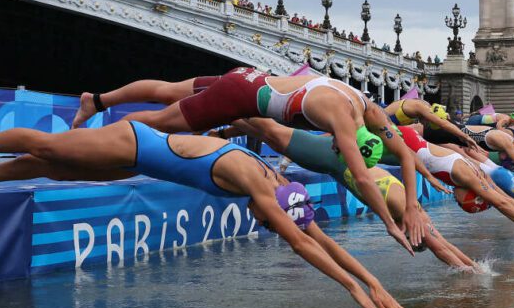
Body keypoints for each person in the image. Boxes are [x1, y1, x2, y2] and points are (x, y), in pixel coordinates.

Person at [0, 123, 410, 308]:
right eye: (269, 226)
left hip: (142, 162)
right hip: (136, 143)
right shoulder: (262, 186)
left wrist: (372, 281)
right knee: (49, 148)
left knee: (60, 169)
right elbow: (306, 247)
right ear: (274, 211)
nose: (267, 229)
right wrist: (352, 289)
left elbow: (317, 237)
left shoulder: (280, 186)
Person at [69, 70, 428, 254]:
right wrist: (391, 224)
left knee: (166, 90)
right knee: (161, 123)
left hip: (247, 76)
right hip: (238, 97)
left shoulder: (367, 108)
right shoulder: (342, 121)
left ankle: (97, 101)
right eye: (340, 149)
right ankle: (96, 140)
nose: (335, 149)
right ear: (350, 138)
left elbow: (405, 156)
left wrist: (411, 205)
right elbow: (364, 179)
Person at [219, 118, 479, 271]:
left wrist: (474, 267)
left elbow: (444, 245)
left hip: (334, 159)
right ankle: (222, 121)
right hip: (331, 159)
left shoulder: (416, 214)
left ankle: (222, 129)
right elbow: (440, 248)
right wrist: (470, 274)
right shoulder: (407, 214)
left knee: (271, 132)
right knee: (271, 131)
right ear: (411, 236)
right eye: (410, 241)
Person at [392, 125, 514, 240]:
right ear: (471, 194)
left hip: (412, 139)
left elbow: (503, 200)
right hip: (405, 138)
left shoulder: (476, 174)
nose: (457, 202)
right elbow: (501, 203)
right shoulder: (466, 176)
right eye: (461, 203)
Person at [381, 100, 481, 152]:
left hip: (385, 125)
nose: (425, 125)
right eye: (429, 122)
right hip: (378, 123)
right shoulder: (421, 107)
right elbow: (443, 124)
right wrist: (465, 137)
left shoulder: (422, 106)